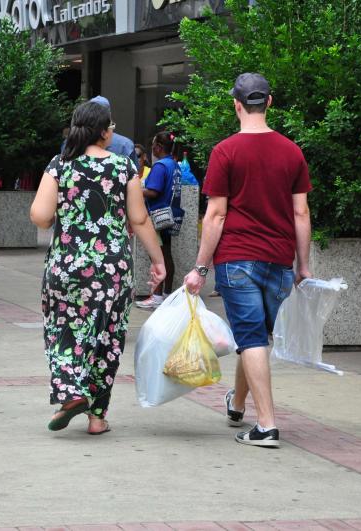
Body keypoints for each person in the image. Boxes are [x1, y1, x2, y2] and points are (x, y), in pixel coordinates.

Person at [184, 73, 312, 448]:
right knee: (254, 337)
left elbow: (216, 215)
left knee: (252, 337)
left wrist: (200, 268)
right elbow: (301, 213)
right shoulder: (292, 151)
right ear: (269, 102)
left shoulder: (226, 151)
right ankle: (237, 403)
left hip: (236, 259)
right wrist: (303, 266)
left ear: (236, 105)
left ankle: (267, 425)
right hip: (278, 260)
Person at [30, 101, 166, 435]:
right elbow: (139, 219)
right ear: (104, 133)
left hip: (66, 267)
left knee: (63, 330)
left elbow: (41, 216)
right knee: (107, 338)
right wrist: (159, 261)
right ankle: (96, 417)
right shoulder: (123, 167)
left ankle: (70, 391)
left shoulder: (59, 165)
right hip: (112, 270)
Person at [135, 131, 183, 310]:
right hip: (171, 215)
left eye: (153, 144)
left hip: (157, 217)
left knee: (158, 257)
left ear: (158, 147)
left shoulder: (160, 166)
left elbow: (153, 191)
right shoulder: (174, 165)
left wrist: (134, 189)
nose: (151, 148)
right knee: (167, 255)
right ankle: (166, 294)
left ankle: (156, 297)